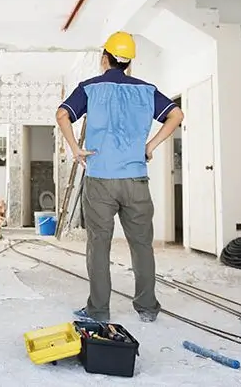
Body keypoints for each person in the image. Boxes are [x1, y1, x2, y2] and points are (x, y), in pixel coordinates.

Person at [55, 31, 184, 323]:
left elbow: (62, 114)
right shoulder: (146, 90)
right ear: (129, 64)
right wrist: (149, 146)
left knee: (98, 246)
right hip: (136, 179)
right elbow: (176, 115)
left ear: (105, 59)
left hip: (100, 180)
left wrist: (76, 149)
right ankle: (147, 308)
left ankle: (99, 310)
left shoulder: (90, 88)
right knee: (141, 245)